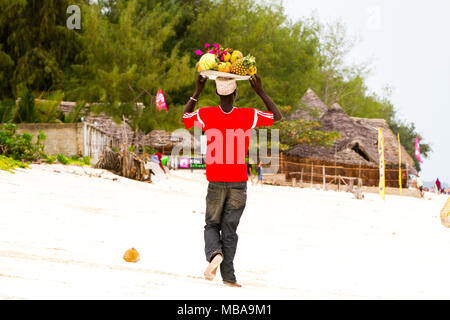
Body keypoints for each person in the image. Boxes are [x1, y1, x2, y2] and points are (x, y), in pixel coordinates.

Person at [182, 74, 282, 287]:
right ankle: (229, 277)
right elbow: (277, 116)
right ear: (235, 94)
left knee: (211, 224)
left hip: (216, 180)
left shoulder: (206, 114)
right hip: (238, 182)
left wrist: (197, 91)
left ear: (217, 94)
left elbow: (185, 118)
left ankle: (214, 254)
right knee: (230, 229)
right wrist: (260, 92)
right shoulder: (248, 115)